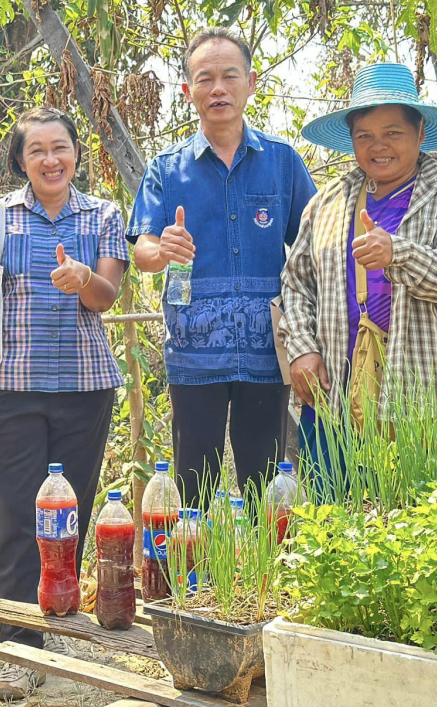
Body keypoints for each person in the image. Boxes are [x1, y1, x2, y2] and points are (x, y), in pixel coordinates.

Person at [0, 107, 130, 700]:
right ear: (21, 161)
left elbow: (108, 293)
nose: (51, 159)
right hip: (7, 392)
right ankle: (20, 647)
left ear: (77, 154)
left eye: (61, 148)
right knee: (17, 518)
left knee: (67, 517)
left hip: (84, 389)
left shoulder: (102, 215)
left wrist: (81, 281)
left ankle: (57, 626)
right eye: (37, 150)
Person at [127, 27, 316, 500]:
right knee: (194, 486)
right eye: (205, 78)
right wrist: (162, 248)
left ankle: (261, 574)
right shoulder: (166, 169)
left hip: (265, 355)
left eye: (229, 76)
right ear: (188, 92)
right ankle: (194, 575)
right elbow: (141, 251)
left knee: (264, 485)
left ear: (251, 83)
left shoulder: (282, 162)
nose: (218, 88)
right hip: (194, 354)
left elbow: (312, 246)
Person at [280, 62, 437, 482]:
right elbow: (297, 281)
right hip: (334, 392)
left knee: (418, 527)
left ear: (420, 133)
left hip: (422, 395)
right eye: (364, 136)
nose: (378, 146)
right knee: (334, 524)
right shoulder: (330, 201)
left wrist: (399, 253)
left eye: (393, 132)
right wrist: (301, 347)